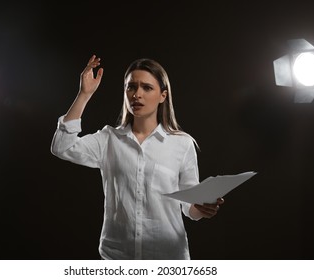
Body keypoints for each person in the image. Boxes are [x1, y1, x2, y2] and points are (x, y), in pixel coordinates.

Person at [51, 55, 224, 260]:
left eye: (147, 88)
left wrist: (202, 208)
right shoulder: (109, 139)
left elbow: (189, 208)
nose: (137, 94)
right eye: (131, 87)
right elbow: (61, 147)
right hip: (117, 258)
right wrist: (84, 94)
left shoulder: (182, 144)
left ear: (163, 95)